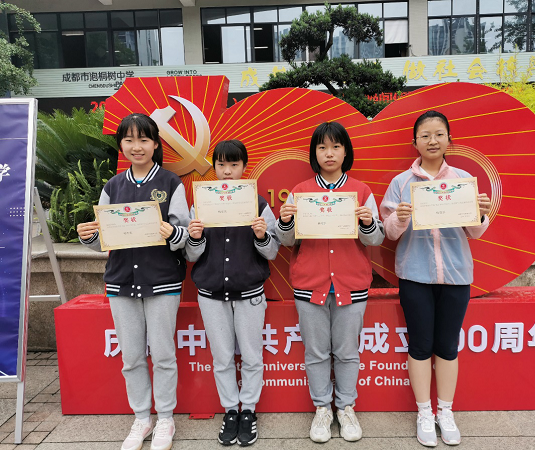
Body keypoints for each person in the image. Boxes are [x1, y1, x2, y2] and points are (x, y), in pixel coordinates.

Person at [77, 113, 189, 450]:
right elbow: (103, 240)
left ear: (156, 144)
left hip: (162, 280)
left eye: (143, 139)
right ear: (121, 145)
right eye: (129, 140)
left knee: (164, 353)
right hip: (122, 281)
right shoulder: (112, 186)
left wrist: (172, 232)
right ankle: (142, 417)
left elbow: (185, 234)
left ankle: (165, 418)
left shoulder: (171, 183)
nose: (136, 146)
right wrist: (88, 235)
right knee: (132, 357)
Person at [380, 110, 491, 447]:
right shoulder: (401, 183)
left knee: (447, 346)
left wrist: (480, 212)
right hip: (414, 275)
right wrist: (400, 218)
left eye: (439, 134)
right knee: (420, 345)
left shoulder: (462, 180)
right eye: (425, 135)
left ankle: (445, 410)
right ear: (414, 142)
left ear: (449, 139)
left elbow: (475, 232)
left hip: (456, 275)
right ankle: (424, 412)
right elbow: (388, 232)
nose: (432, 141)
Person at [276, 121, 384, 443]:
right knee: (316, 352)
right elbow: (286, 241)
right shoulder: (300, 191)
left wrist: (368, 222)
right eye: (322, 147)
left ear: (346, 151)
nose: (329, 153)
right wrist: (285, 221)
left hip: (351, 283)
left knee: (348, 352)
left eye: (336, 146)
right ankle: (323, 408)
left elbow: (376, 238)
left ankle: (346, 407)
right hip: (310, 284)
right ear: (315, 153)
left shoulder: (361, 191)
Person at [184, 139, 280, 447]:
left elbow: (273, 252)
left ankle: (248, 410)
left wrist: (262, 235)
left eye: (234, 165)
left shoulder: (258, 204)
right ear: (214, 167)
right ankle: (230, 410)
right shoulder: (200, 203)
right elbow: (190, 254)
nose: (227, 171)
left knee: (251, 355)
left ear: (244, 167)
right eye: (222, 165)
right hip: (211, 293)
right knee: (222, 357)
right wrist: (195, 238)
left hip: (250, 292)